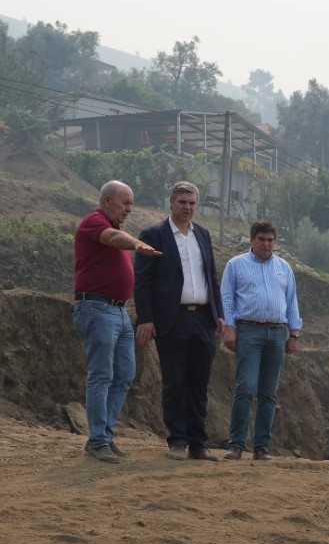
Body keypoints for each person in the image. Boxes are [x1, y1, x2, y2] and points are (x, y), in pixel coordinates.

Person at [134, 181, 224, 461]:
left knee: (199, 383)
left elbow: (212, 277)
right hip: (173, 320)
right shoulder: (154, 234)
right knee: (175, 382)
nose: (188, 207)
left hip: (204, 319)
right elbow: (142, 281)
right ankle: (177, 441)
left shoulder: (203, 235)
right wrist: (146, 318)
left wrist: (219, 313)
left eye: (192, 203)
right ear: (171, 203)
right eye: (182, 202)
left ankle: (199, 443)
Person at [73, 180, 161, 463]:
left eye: (132, 203)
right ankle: (97, 439)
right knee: (102, 375)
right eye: (126, 203)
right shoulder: (94, 222)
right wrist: (136, 243)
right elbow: (111, 238)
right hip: (97, 309)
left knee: (124, 375)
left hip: (119, 312)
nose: (130, 209)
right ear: (107, 201)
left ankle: (105, 437)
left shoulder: (116, 228)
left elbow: (116, 237)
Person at [220, 221, 302, 460]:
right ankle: (236, 444)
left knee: (269, 392)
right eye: (261, 239)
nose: (266, 244)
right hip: (248, 331)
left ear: (275, 242)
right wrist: (229, 328)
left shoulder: (284, 268)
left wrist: (294, 334)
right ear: (252, 240)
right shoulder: (236, 265)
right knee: (245, 387)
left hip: (277, 333)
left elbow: (292, 301)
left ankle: (261, 447)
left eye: (270, 240)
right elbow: (226, 298)